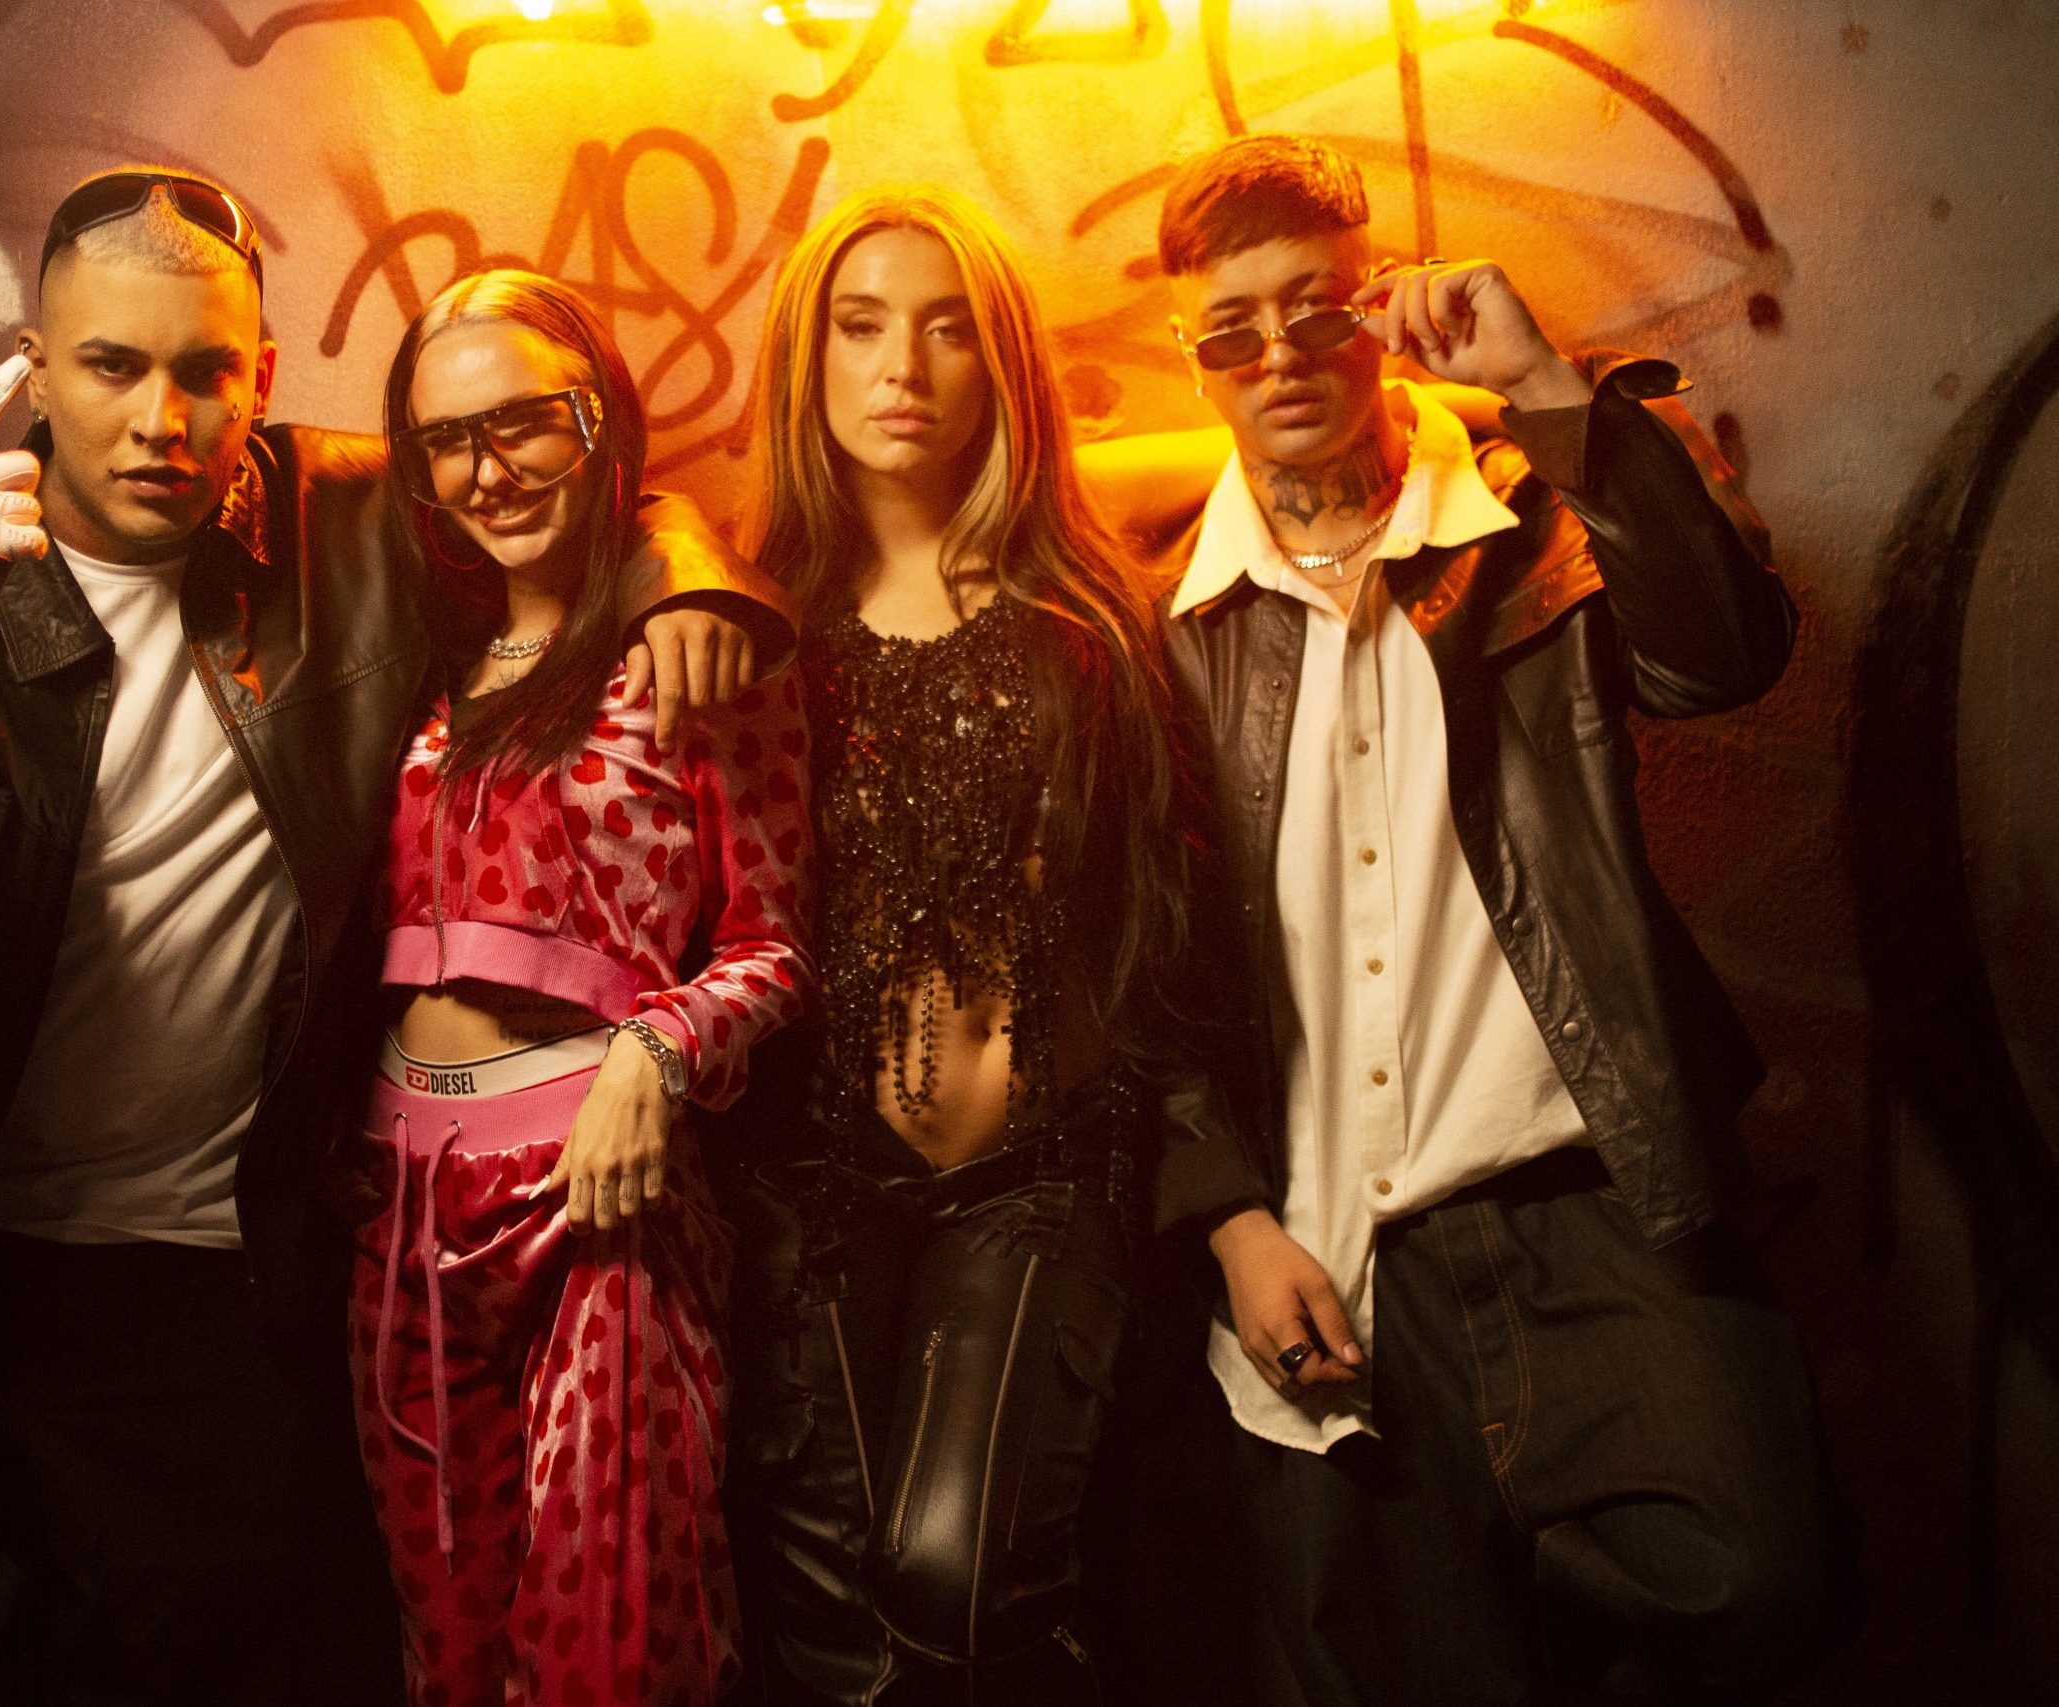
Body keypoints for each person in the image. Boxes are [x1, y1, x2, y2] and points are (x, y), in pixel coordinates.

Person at [0, 168, 789, 1704]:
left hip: (207, 1275)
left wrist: (689, 569)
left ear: (261, 376)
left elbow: (552, 472)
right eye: (111, 366)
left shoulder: (349, 529)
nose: (163, 419)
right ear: (38, 367)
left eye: (205, 371)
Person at [1146, 135, 1856, 1704]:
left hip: (1594, 1195)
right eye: (1233, 330)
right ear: (1189, 354)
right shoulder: (1170, 630)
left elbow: (1725, 652)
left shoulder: (1531, 526)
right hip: (1330, 1257)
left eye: (1316, 309)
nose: (1280, 356)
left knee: (1773, 1581)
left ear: (1378, 304)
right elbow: (1150, 972)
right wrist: (1231, 1221)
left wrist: (1542, 382)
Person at [722, 184, 1198, 1704]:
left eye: (948, 332)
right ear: (806, 359)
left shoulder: (1086, 615)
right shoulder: (751, 613)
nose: (901, 371)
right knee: (838, 1619)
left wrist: (1446, 411)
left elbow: (1171, 927)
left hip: (1036, 1170)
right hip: (813, 1179)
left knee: (956, 1567)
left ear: (1001, 366)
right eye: (861, 328)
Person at [348, 267, 817, 1707]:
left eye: (524, 423)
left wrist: (656, 1054)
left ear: (600, 414)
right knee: (445, 1647)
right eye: (448, 440)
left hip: (595, 1201)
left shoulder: (696, 649)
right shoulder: (417, 651)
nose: (488, 471)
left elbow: (776, 946)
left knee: (606, 1652)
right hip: (397, 1212)